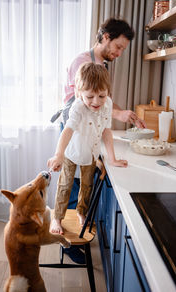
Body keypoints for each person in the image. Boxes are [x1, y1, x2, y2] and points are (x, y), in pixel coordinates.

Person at [48, 62, 128, 234]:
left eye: (101, 95)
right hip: (72, 151)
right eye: (90, 96)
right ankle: (57, 219)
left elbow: (106, 131)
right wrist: (58, 155)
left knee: (87, 186)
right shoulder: (78, 107)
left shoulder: (107, 105)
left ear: (108, 92)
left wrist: (112, 158)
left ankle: (81, 212)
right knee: (65, 185)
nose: (96, 101)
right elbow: (67, 131)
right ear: (79, 93)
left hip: (91, 153)